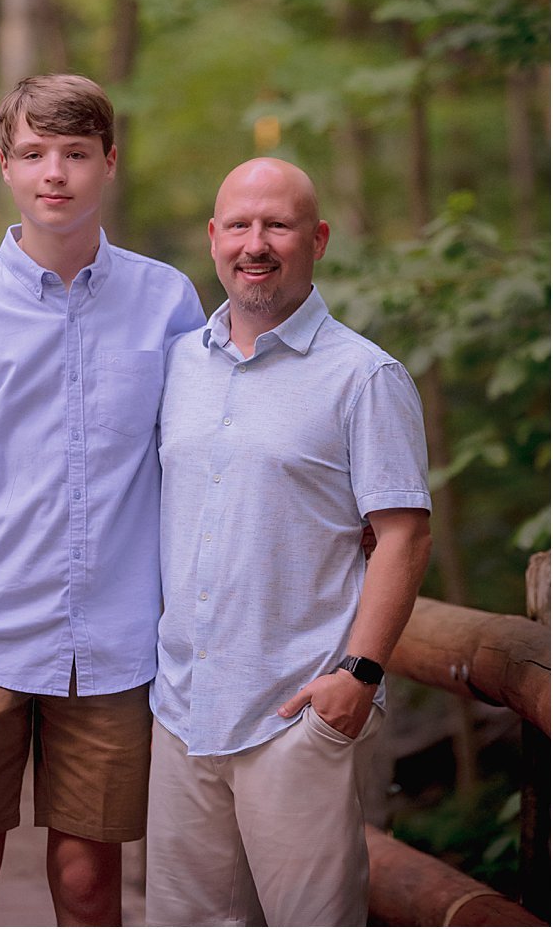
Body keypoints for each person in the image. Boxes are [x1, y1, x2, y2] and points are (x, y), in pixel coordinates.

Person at [0, 75, 203, 927]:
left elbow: (206, 451)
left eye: (75, 153)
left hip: (116, 641)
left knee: (91, 887)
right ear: (6, 167)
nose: (54, 172)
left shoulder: (169, 302)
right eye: (33, 154)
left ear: (109, 164)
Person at [147, 159, 431, 927]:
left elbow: (404, 535)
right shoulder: (175, 366)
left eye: (277, 225)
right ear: (213, 238)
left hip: (297, 711)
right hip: (180, 709)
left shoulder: (364, 377)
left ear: (318, 239)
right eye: (239, 225)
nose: (256, 243)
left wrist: (358, 674)